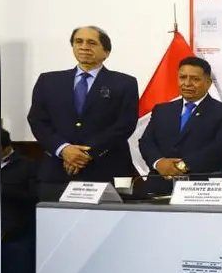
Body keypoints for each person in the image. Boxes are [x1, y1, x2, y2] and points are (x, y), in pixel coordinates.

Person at [26, 26, 138, 198]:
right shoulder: (48, 81)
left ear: (106, 52)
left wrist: (85, 153)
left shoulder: (125, 83)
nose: (84, 47)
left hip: (106, 169)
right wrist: (64, 150)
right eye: (78, 42)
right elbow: (38, 121)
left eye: (91, 43)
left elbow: (125, 124)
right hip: (57, 171)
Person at [138, 56, 222, 194]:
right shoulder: (162, 110)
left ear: (208, 83)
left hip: (201, 189)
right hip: (159, 185)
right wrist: (159, 163)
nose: (187, 83)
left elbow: (220, 147)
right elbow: (146, 142)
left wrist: (181, 166)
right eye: (182, 77)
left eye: (195, 79)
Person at [1, 128, 38, 273]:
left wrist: (4, 190)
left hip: (16, 238)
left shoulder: (28, 166)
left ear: (5, 148)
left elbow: (37, 196)